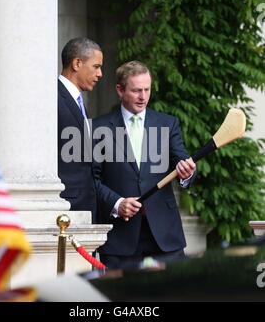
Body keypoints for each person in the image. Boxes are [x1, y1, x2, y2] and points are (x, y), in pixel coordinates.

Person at [93, 61, 196, 269]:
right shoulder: (98, 127)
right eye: (137, 90)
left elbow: (183, 164)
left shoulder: (168, 123)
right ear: (120, 90)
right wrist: (117, 203)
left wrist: (187, 174)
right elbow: (92, 179)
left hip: (165, 233)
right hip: (120, 236)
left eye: (147, 89)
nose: (143, 96)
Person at [58, 37, 103, 221]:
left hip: (83, 208)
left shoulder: (78, 102)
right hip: (65, 209)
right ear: (77, 63)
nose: (100, 74)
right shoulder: (53, 98)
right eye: (96, 66)